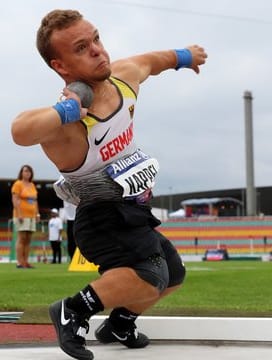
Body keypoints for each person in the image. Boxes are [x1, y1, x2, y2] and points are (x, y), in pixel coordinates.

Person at [11, 9, 207, 360]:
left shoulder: (123, 78)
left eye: (97, 39)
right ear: (61, 66)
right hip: (100, 218)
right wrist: (65, 112)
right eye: (82, 47)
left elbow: (153, 60)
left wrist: (184, 57)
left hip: (134, 211)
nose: (98, 50)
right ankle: (73, 310)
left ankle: (119, 322)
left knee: (173, 273)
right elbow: (20, 130)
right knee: (150, 274)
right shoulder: (68, 127)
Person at [11, 164, 40, 269]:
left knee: (28, 239)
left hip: (31, 216)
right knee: (21, 238)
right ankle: (19, 262)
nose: (27, 173)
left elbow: (35, 201)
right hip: (22, 215)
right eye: (25, 171)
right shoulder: (17, 184)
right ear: (21, 173)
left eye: (29, 171)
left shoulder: (32, 185)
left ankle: (26, 262)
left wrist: (37, 213)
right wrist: (19, 214)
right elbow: (15, 200)